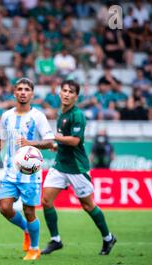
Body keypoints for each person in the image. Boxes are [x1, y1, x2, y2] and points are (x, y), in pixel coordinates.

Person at [41, 80, 117, 256]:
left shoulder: (77, 115)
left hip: (77, 168)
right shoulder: (62, 114)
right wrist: (57, 145)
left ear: (76, 96)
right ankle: (56, 240)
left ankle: (108, 238)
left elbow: (75, 141)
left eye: (71, 92)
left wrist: (55, 138)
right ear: (60, 93)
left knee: (88, 205)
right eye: (64, 90)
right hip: (61, 165)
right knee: (46, 201)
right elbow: (65, 141)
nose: (66, 94)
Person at [0, 78, 55, 260]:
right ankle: (26, 230)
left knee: (29, 212)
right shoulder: (7, 116)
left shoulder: (38, 116)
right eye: (19, 89)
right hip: (10, 171)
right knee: (4, 208)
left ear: (32, 94)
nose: (23, 92)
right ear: (14, 92)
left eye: (27, 89)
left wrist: (30, 143)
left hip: (30, 173)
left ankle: (34, 248)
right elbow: (2, 137)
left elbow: (50, 141)